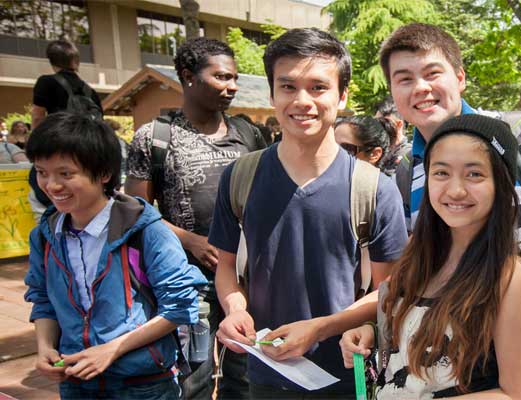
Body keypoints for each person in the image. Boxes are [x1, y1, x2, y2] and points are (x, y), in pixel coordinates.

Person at [209, 28, 408, 398]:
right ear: (271, 93)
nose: (302, 101)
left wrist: (320, 328)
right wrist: (235, 309)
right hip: (265, 371)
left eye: (318, 87)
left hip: (350, 376)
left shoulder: (374, 188)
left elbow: (388, 290)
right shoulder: (240, 177)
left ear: (342, 95)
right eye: (288, 87)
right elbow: (226, 267)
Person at [340, 114, 521, 398]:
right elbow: (412, 335)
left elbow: (519, 394)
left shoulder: (508, 275)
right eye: (441, 173)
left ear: (501, 183)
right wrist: (372, 333)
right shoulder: (416, 254)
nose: (456, 190)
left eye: (474, 174)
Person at [23, 112, 207, 399]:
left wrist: (112, 349)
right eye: (42, 172)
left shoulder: (145, 231)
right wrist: (46, 348)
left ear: (104, 174)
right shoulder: (45, 236)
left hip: (143, 384)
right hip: (76, 379)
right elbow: (43, 300)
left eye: (66, 174)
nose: (52, 186)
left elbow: (180, 308)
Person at [379, 23, 521, 274]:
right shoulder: (407, 169)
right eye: (404, 79)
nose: (421, 87)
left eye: (432, 73)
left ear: (460, 78)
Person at [126, 37, 265, 399]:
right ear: (188, 76)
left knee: (248, 375)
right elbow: (133, 211)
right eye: (220, 77)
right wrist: (188, 240)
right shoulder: (155, 138)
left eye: (234, 77)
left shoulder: (249, 135)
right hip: (188, 283)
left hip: (245, 280)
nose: (231, 86)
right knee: (193, 379)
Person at [31, 39, 102, 129]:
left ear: (51, 60)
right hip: (90, 140)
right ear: (76, 60)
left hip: (61, 139)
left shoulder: (46, 82)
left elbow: (37, 117)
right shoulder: (91, 92)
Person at [375, 96, 411, 176]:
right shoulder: (379, 150)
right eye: (376, 122)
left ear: (399, 124)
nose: (378, 128)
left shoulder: (408, 154)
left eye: (383, 123)